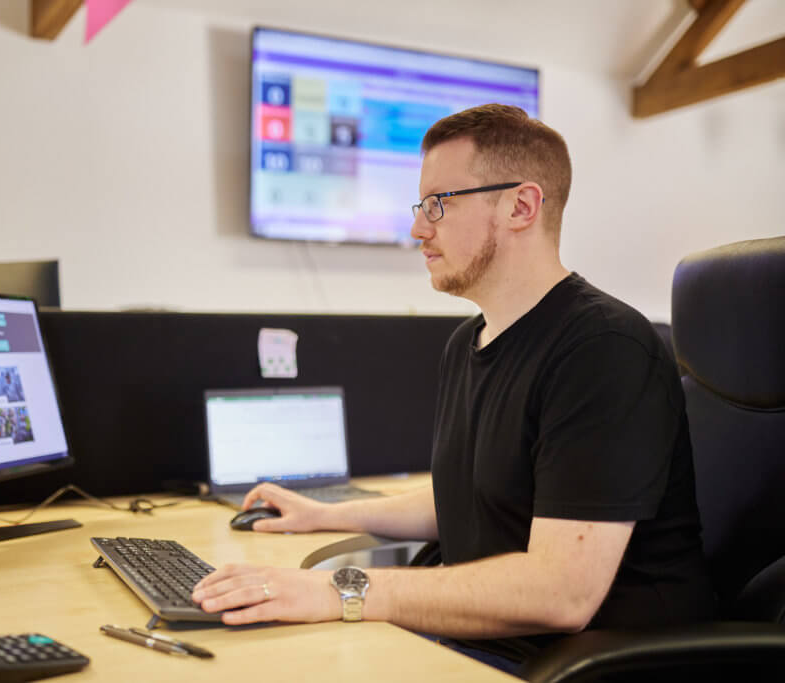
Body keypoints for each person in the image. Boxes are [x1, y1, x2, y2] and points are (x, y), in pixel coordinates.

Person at [192, 104, 714, 671]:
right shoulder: (471, 342)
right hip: (485, 645)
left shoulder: (603, 349)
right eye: (420, 207)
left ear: (521, 206)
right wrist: (326, 514)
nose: (419, 229)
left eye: (439, 203)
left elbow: (561, 594)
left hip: (579, 665)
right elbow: (472, 499)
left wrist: (340, 588)